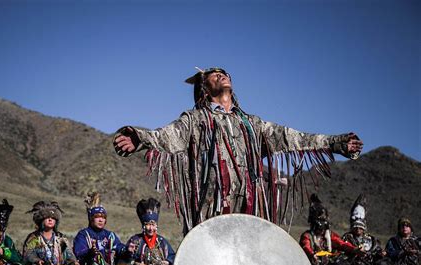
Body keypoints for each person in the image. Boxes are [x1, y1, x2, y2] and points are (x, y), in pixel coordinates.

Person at [113, 67, 363, 234]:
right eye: (214, 75)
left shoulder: (252, 125)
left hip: (248, 206)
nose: (221, 75)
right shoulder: (196, 119)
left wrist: (336, 143)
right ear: (204, 87)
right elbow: (167, 136)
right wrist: (140, 138)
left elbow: (293, 137)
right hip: (209, 208)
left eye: (224, 73)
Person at [299, 194, 364, 265]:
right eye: (319, 227)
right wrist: (312, 255)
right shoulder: (307, 236)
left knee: (346, 257)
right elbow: (306, 247)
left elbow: (342, 244)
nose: (322, 230)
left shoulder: (329, 235)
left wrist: (354, 249)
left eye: (323, 228)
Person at [23, 201, 86, 265]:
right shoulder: (35, 238)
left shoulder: (60, 238)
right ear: (41, 220)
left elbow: (68, 253)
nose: (50, 220)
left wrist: (73, 262)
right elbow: (28, 254)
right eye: (47, 217)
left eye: (53, 218)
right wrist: (37, 260)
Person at [73, 192, 127, 265]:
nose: (101, 220)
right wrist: (90, 252)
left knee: (128, 259)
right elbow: (79, 253)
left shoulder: (110, 235)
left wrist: (127, 249)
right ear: (91, 219)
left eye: (103, 217)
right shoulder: (84, 234)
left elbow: (118, 247)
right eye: (97, 217)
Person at [126, 198, 175, 265]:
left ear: (156, 226)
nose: (150, 228)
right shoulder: (136, 240)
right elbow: (126, 258)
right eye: (148, 224)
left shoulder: (162, 241)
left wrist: (167, 262)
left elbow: (172, 255)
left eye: (153, 225)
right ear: (143, 226)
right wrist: (139, 264)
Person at [342, 194, 389, 265]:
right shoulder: (347, 237)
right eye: (355, 227)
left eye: (360, 228)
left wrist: (381, 253)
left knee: (385, 262)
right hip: (356, 262)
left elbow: (377, 250)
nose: (358, 230)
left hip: (370, 262)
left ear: (364, 228)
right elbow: (343, 249)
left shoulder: (371, 239)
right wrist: (355, 251)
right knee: (354, 263)